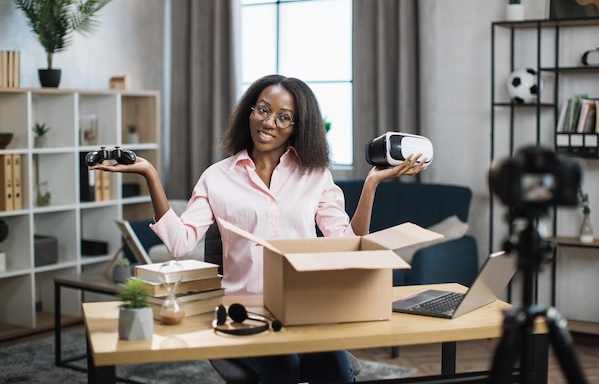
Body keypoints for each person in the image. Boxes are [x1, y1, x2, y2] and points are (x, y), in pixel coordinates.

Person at [91, 74, 425, 383]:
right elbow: (179, 244)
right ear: (249, 111)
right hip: (243, 315)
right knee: (285, 365)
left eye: (283, 117)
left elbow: (347, 245)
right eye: (262, 110)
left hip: (305, 311)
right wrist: (149, 173)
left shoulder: (315, 175)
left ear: (296, 127)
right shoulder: (216, 177)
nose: (268, 122)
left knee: (336, 367)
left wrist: (371, 185)